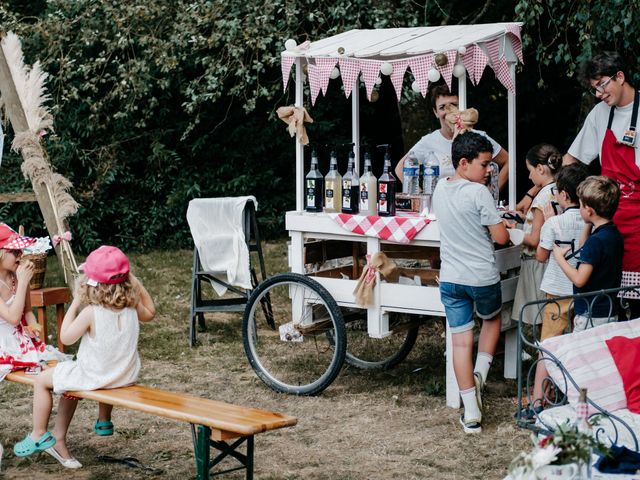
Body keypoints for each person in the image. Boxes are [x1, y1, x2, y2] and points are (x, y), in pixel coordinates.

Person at [13, 245, 155, 468]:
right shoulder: (132, 306)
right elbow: (151, 312)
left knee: (42, 380)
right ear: (127, 281)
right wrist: (134, 283)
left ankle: (38, 432)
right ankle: (104, 420)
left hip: (96, 375)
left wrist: (76, 302)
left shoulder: (92, 312)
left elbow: (66, 337)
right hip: (124, 376)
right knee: (80, 376)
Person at [519, 176, 623, 421]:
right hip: (609, 307)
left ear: (588, 209)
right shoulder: (612, 234)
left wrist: (560, 258)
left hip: (591, 313)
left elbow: (579, 279)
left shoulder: (597, 242)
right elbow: (586, 247)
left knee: (585, 361)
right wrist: (587, 224)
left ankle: (583, 407)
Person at [432, 131, 511, 434]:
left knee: (461, 342)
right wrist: (502, 222)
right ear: (464, 163)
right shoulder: (479, 194)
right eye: (485, 164)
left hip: (451, 279)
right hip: (481, 277)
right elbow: (501, 237)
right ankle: (480, 375)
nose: (490, 170)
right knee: (492, 320)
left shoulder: (440, 188)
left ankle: (472, 413)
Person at [563, 52, 640, 319]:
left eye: (602, 85)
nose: (598, 94)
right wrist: (560, 191)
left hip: (639, 223)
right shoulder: (600, 114)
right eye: (594, 88)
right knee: (608, 306)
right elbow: (571, 159)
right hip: (608, 225)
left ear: (620, 77)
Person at [517, 163, 590, 420]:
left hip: (556, 292)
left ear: (564, 195)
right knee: (577, 342)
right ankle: (570, 394)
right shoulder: (589, 220)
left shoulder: (553, 222)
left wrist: (550, 222)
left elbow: (540, 255)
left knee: (548, 346)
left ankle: (538, 400)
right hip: (581, 291)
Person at [394, 84, 510, 190]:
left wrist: (492, 192)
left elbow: (508, 161)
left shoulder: (478, 137)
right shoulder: (429, 141)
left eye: (454, 105)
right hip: (442, 207)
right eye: (442, 107)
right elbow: (400, 168)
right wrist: (420, 198)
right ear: (435, 112)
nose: (449, 111)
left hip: (473, 205)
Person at [511, 144, 562, 326]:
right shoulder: (560, 190)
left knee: (541, 316)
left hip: (537, 262)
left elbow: (534, 239)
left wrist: (512, 232)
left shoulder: (541, 198)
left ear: (540, 168)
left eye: (530, 170)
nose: (529, 176)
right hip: (555, 260)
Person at [0, 223, 43, 378]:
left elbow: (28, 311)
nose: (20, 255)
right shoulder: (20, 278)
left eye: (20, 250)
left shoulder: (17, 276)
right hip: (2, 343)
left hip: (19, 340)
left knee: (45, 368)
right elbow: (13, 318)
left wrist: (33, 326)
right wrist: (23, 282)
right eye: (15, 251)